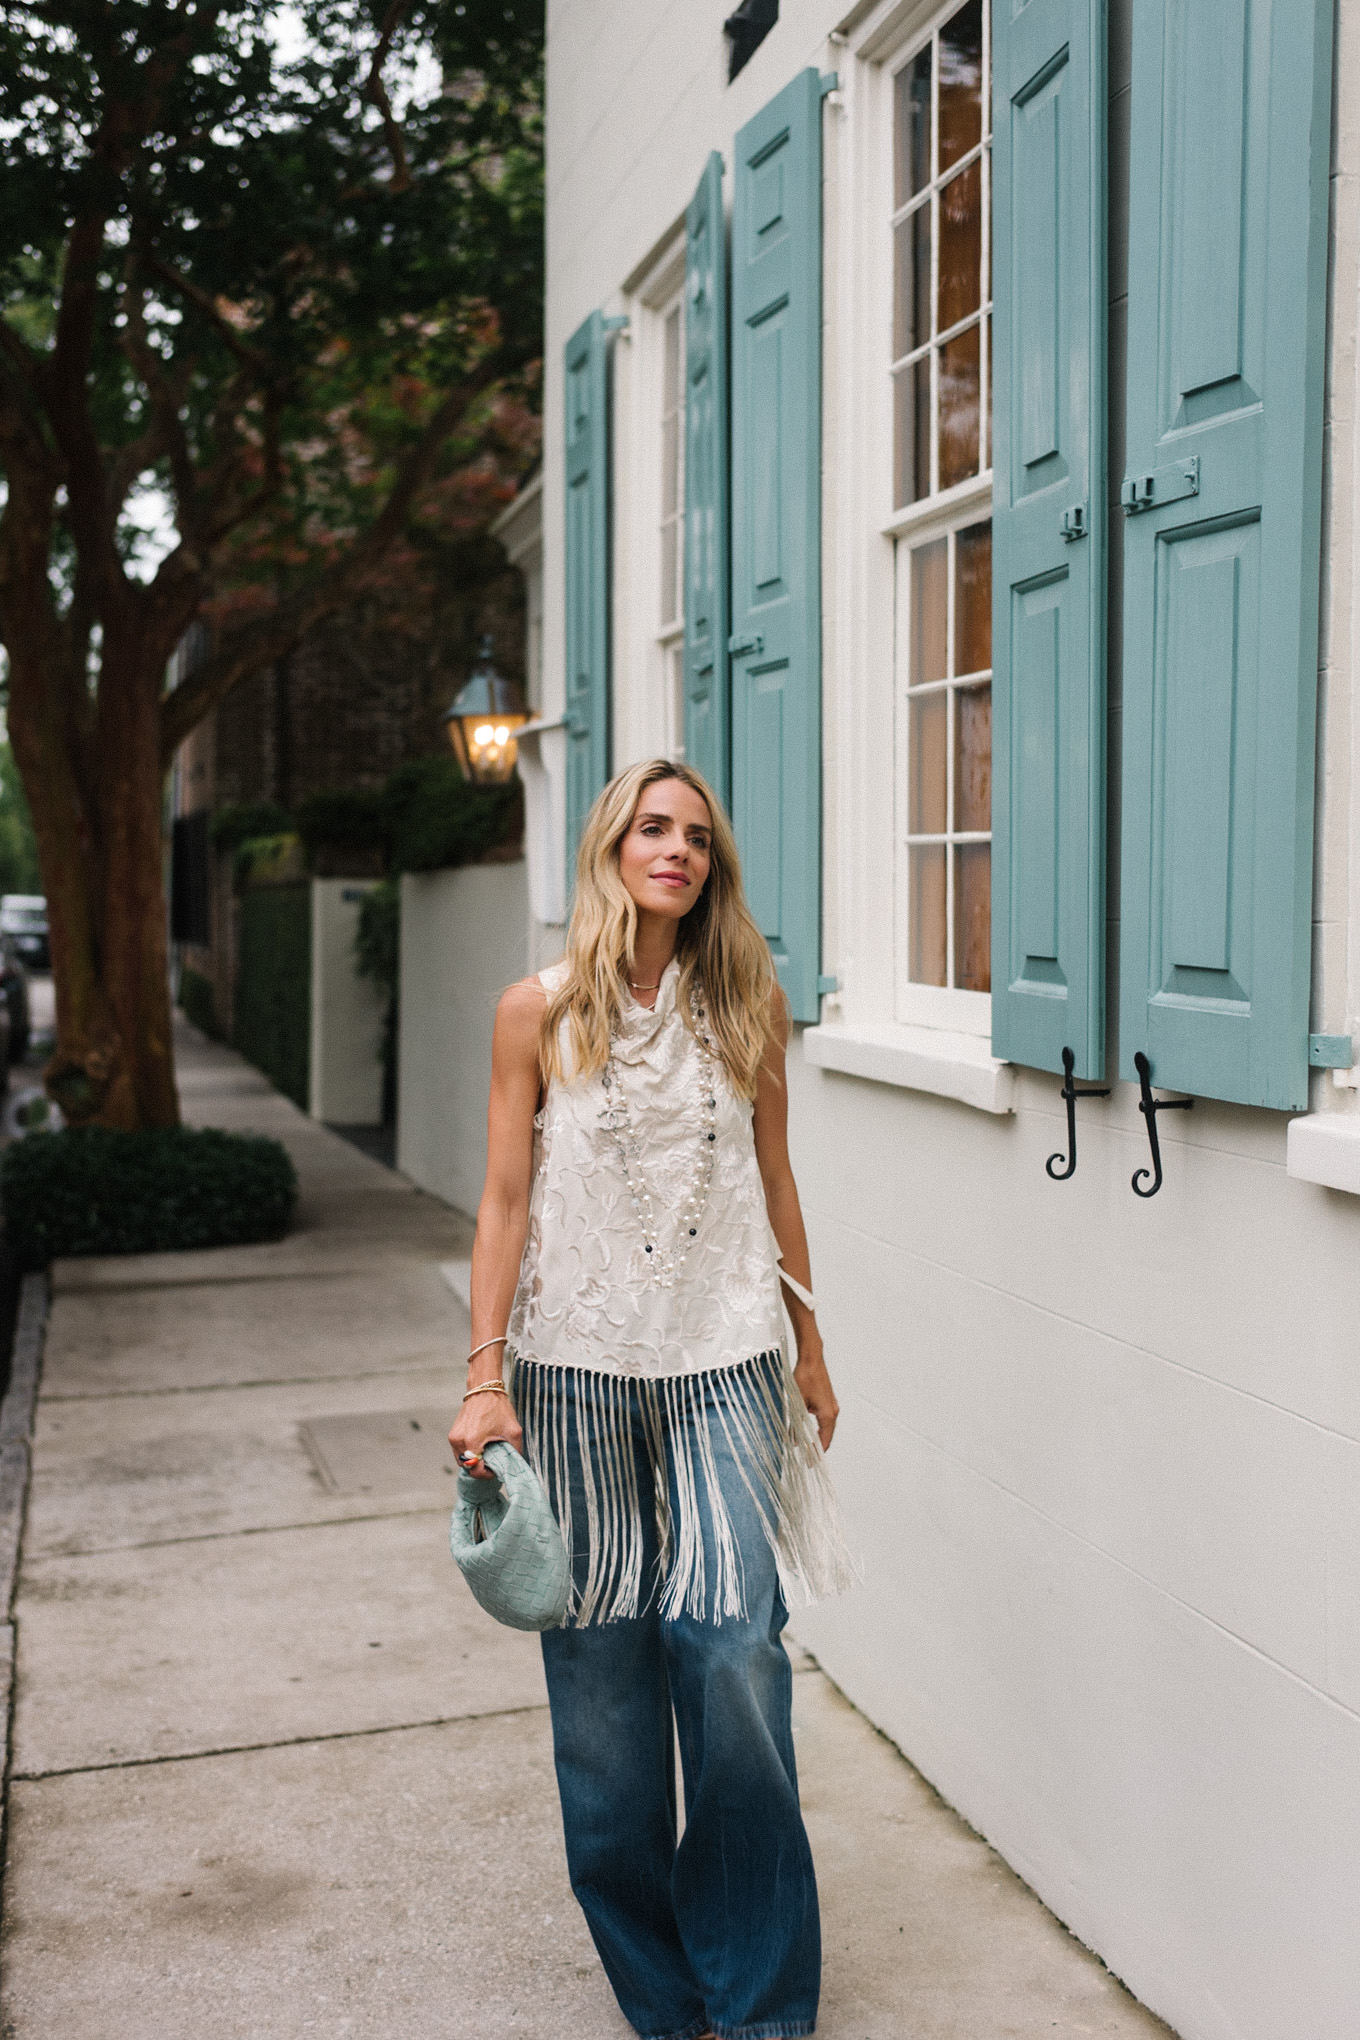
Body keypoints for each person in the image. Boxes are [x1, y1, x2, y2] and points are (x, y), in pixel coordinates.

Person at [449, 757, 853, 2040]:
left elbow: (777, 1187)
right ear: (610, 848)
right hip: (569, 1376)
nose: (673, 848)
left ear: (711, 866)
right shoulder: (537, 1012)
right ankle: (666, 2001)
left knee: (731, 1651)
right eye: (650, 827)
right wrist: (483, 1380)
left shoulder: (747, 1008)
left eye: (694, 835)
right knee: (606, 1693)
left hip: (725, 1359)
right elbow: (505, 1201)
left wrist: (809, 1344)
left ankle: (761, 2006)